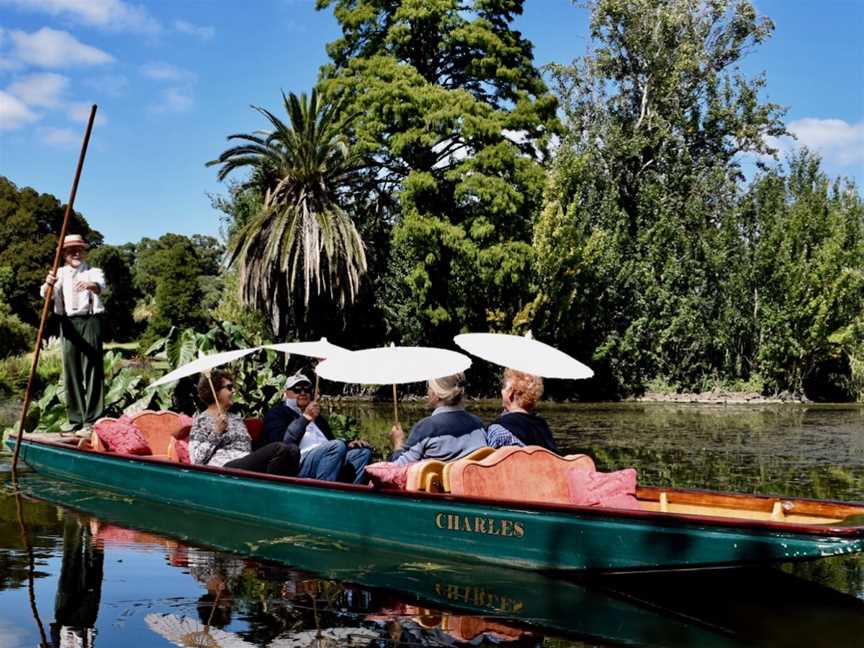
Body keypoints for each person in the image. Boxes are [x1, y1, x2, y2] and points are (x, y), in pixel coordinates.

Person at [40, 234, 105, 437]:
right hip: (67, 323)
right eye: (71, 250)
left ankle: (92, 420)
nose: (76, 253)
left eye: (79, 249)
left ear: (84, 251)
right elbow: (45, 294)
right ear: (64, 254)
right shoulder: (58, 273)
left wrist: (91, 286)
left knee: (93, 369)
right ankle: (75, 419)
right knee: (71, 370)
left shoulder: (94, 271)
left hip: (90, 321)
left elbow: (101, 287)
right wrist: (48, 283)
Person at [262, 373, 372, 483]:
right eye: (297, 389)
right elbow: (282, 444)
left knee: (362, 453)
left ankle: (352, 495)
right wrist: (304, 418)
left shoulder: (317, 417)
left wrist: (349, 444)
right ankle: (324, 493)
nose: (303, 393)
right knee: (335, 446)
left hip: (327, 458)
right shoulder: (277, 413)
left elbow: (328, 441)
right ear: (286, 393)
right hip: (299, 464)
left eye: (307, 389)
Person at [189, 370, 300, 476]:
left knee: (293, 450)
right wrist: (216, 432)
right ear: (215, 391)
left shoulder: (237, 419)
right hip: (224, 468)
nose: (233, 391)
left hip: (246, 464)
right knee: (279, 449)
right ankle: (268, 492)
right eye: (229, 387)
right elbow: (196, 460)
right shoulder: (202, 420)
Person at [388, 373, 488, 465]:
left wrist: (398, 443)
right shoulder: (478, 424)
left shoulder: (426, 428)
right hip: (470, 483)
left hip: (439, 484)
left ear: (435, 395)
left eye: (429, 387)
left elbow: (397, 469)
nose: (427, 391)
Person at [486, 368, 556, 451]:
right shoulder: (543, 427)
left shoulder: (498, 429)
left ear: (510, 393)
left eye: (504, 387)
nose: (502, 391)